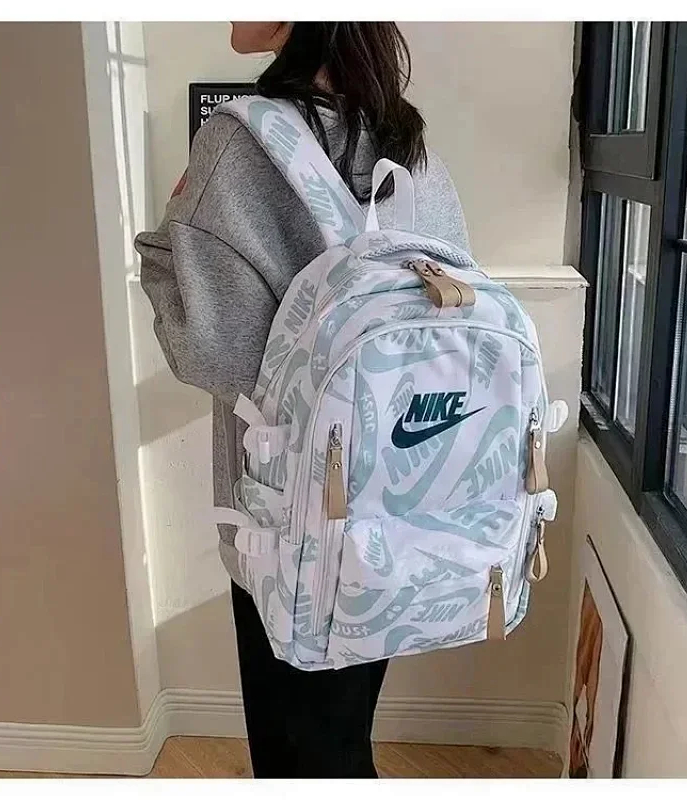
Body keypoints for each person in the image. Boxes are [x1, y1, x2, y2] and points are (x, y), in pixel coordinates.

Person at [135, 22, 469, 779]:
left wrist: (163, 253)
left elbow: (212, 355)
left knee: (299, 754)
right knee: (340, 735)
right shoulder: (407, 142)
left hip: (283, 523)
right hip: (395, 505)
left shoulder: (240, 141)